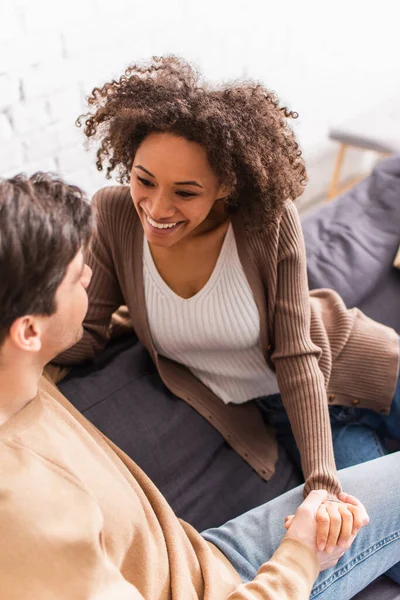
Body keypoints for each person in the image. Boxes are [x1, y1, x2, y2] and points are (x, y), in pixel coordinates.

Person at [1, 171, 400, 600]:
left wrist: (151, 312)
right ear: (27, 331)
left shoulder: (26, 370)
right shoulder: (27, 515)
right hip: (238, 580)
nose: (89, 278)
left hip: (205, 552)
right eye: (78, 276)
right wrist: (301, 554)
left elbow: (90, 324)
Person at [57, 56, 399, 541]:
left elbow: (296, 354)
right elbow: (85, 334)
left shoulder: (266, 223)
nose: (156, 208)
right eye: (144, 179)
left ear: (227, 185)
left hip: (356, 358)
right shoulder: (113, 216)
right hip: (283, 417)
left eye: (186, 192)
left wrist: (322, 482)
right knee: (380, 535)